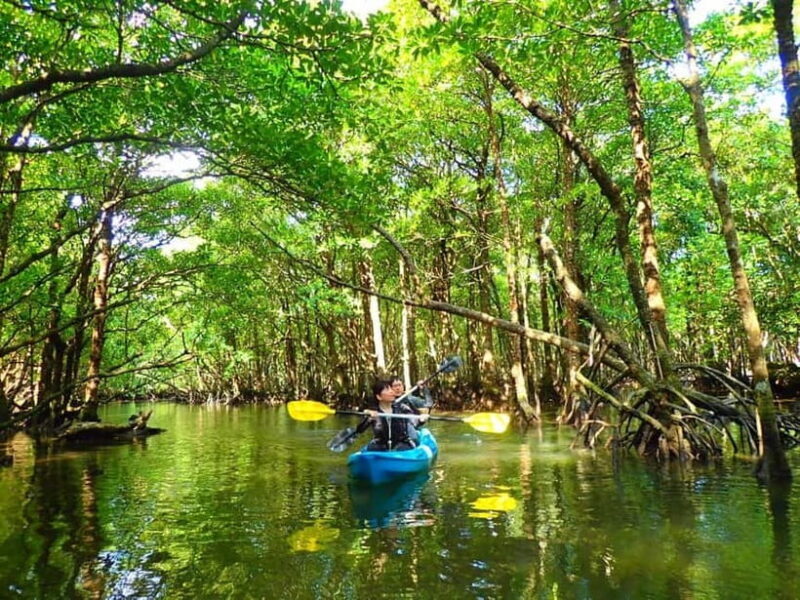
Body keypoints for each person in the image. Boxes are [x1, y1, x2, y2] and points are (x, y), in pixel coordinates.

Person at [355, 379, 428, 451]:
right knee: (374, 448)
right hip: (381, 444)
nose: (391, 391)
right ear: (379, 397)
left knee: (403, 448)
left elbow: (414, 422)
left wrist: (421, 419)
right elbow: (360, 430)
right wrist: (368, 418)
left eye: (390, 389)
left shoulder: (402, 408)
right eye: (387, 390)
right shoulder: (374, 412)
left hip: (401, 443)